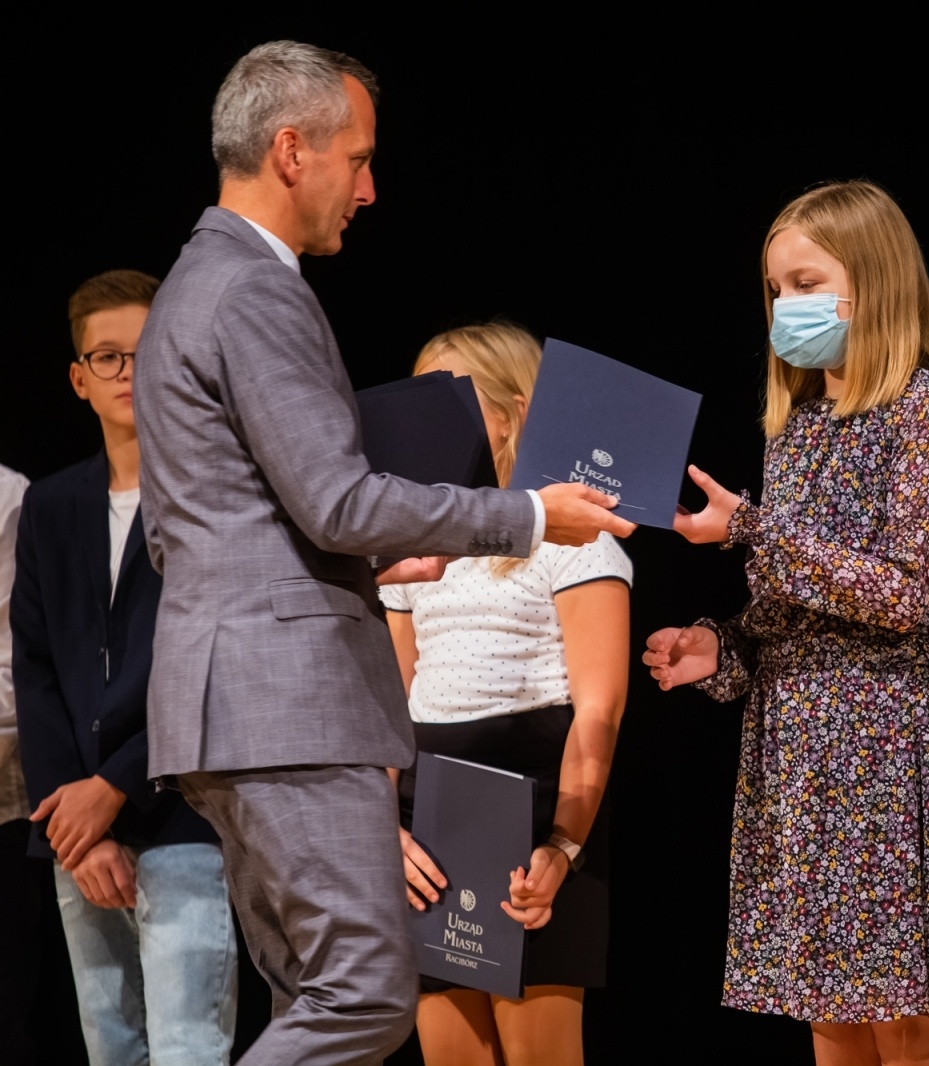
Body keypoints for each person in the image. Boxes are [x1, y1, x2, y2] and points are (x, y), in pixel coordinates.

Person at [134, 42, 632, 1065]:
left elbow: (183, 529)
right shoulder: (252, 291)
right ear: (289, 151)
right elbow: (337, 499)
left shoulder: (192, 286)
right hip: (286, 709)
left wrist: (361, 568)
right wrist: (529, 516)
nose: (369, 188)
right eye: (356, 158)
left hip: (229, 703)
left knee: (307, 998)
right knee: (362, 996)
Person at [642, 180, 929, 1066]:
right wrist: (719, 645)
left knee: (907, 1024)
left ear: (869, 283)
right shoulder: (796, 425)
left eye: (805, 283)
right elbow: (789, 608)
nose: (787, 307)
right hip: (796, 738)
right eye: (777, 290)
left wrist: (755, 527)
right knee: (828, 1012)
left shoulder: (924, 411)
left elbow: (910, 592)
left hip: (881, 734)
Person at [381, 322, 630, 1066]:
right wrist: (383, 829)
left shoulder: (579, 542)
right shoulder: (410, 546)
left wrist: (563, 844)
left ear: (514, 411)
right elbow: (387, 703)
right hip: (426, 819)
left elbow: (600, 707)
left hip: (535, 807)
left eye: (451, 402)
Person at [11, 270, 238, 1066]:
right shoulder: (50, 504)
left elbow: (215, 664)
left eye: (145, 355)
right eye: (107, 358)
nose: (128, 375)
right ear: (79, 378)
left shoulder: (214, 492)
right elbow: (33, 670)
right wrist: (74, 813)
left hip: (182, 809)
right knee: (110, 1048)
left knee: (188, 1048)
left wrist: (116, 787)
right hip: (74, 827)